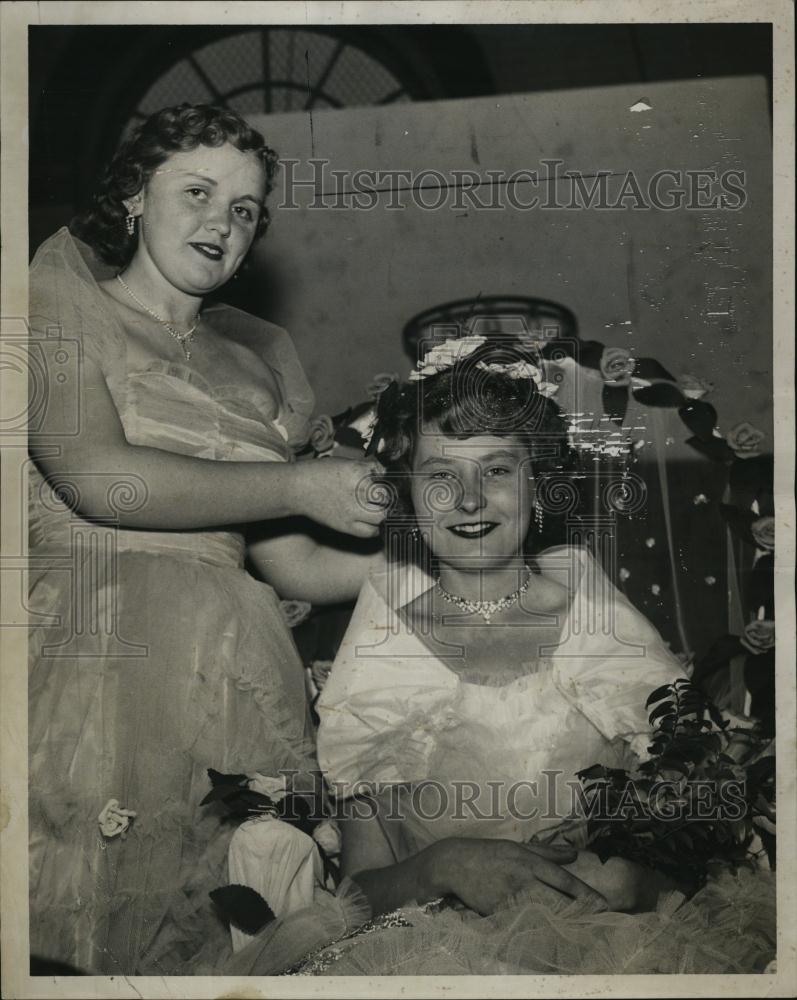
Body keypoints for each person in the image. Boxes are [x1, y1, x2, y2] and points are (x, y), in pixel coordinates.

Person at [222, 335, 775, 976]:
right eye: (440, 476)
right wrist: (442, 865)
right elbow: (356, 893)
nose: (470, 499)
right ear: (406, 497)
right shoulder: (383, 642)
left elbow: (701, 845)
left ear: (538, 483)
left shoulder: (594, 620)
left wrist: (634, 879)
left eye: (498, 470)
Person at [27, 104, 386, 975]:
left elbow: (288, 559)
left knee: (225, 928)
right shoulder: (51, 314)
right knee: (84, 924)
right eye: (196, 192)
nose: (221, 222)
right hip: (97, 652)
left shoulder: (258, 365)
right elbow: (101, 480)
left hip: (237, 663)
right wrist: (302, 482)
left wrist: (433, 554)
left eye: (245, 209)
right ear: (131, 202)